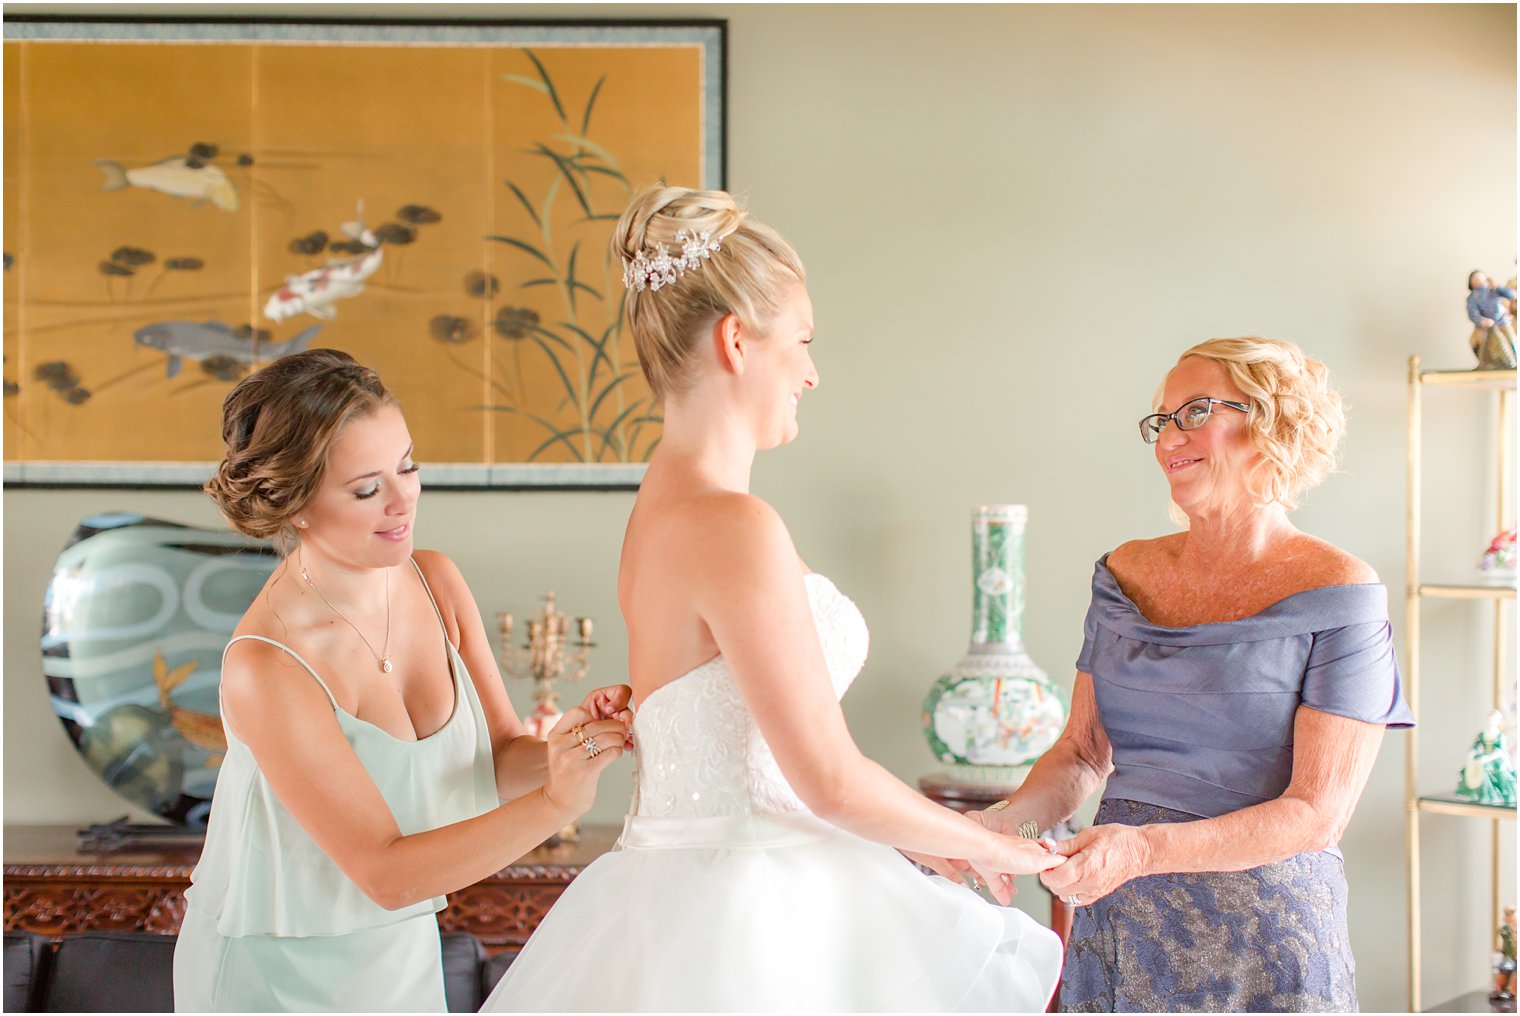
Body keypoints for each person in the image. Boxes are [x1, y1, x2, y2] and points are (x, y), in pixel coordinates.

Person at [481, 186, 1065, 1012]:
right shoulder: (730, 525)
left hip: (691, 895)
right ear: (735, 341)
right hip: (748, 914)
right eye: (802, 340)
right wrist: (993, 847)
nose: (813, 372)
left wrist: (929, 844)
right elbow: (826, 777)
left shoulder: (658, 509)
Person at [950, 337, 1415, 1012]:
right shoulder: (1124, 576)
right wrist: (1004, 828)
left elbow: (1317, 814)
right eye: (1161, 420)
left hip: (1265, 944)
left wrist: (1140, 852)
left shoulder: (1341, 590)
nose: (1170, 436)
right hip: (1120, 928)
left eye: (1194, 411)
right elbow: (1080, 754)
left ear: (1271, 420)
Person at [172, 349, 633, 1012]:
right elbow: (385, 873)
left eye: (408, 466)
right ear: (296, 504)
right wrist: (557, 806)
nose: (402, 498)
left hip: (397, 959)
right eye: (366, 488)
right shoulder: (267, 665)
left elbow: (499, 759)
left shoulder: (437, 581)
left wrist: (581, 743)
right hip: (271, 977)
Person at [1466, 270, 1517, 369]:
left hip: (1502, 321)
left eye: (1480, 277)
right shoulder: (1472, 297)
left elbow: (1512, 295)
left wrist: (1496, 287)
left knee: (1510, 339)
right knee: (1476, 341)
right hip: (1484, 325)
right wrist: (1481, 320)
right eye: (1475, 278)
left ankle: (1514, 362)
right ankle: (1484, 362)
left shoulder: (1494, 290)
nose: (1478, 280)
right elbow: (1473, 312)